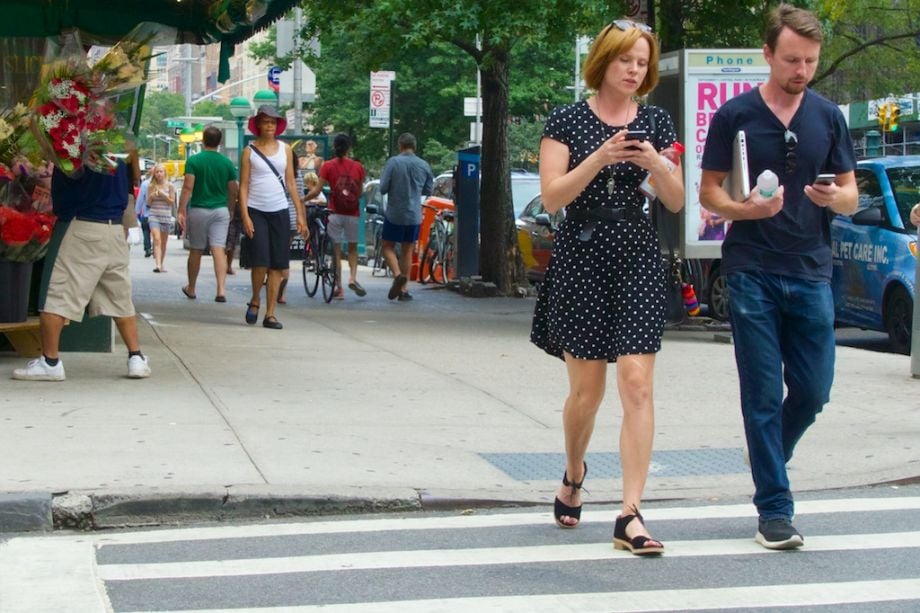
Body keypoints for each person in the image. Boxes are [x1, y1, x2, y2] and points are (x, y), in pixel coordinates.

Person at [699, 4, 858, 550]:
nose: (801, 70)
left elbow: (852, 193)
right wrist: (746, 211)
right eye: (792, 59)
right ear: (768, 54)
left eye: (810, 61)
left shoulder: (829, 116)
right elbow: (709, 193)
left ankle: (768, 453)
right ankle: (775, 509)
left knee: (814, 390)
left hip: (812, 268)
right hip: (751, 270)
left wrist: (836, 198)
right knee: (762, 394)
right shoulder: (734, 115)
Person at [531, 19, 684, 556]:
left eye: (642, 63)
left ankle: (631, 514)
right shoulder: (568, 120)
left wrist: (657, 163)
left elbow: (675, 200)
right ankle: (574, 473)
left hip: (637, 252)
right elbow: (552, 198)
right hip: (582, 253)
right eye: (626, 61)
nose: (634, 70)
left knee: (637, 384)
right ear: (604, 62)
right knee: (586, 393)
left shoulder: (657, 121)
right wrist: (599, 156)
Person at [12, 154, 151, 381]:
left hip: (81, 226)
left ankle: (50, 361)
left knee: (57, 294)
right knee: (120, 298)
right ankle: (137, 358)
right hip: (114, 229)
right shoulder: (117, 146)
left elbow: (69, 178)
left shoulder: (76, 144)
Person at [238, 105, 307, 329]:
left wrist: (299, 214)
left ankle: (270, 314)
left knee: (277, 264)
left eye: (273, 122)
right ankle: (255, 299)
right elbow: (244, 185)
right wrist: (245, 215)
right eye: (265, 121)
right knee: (260, 261)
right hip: (256, 210)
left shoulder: (285, 150)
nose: (269, 125)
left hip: (279, 210)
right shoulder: (249, 151)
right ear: (258, 124)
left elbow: (291, 183)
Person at [177, 126, 239, 302]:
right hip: (221, 210)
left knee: (196, 249)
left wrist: (181, 208)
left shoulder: (194, 161)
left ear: (203, 140)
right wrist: (231, 207)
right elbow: (233, 188)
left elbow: (188, 186)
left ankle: (192, 287)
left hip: (198, 209)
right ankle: (220, 290)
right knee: (218, 248)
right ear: (220, 142)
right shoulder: (226, 163)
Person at [304, 133, 366, 300]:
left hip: (334, 213)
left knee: (336, 251)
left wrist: (302, 199)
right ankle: (352, 277)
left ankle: (339, 287)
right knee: (352, 249)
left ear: (335, 147)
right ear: (349, 148)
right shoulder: (358, 167)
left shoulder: (328, 166)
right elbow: (360, 192)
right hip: (352, 213)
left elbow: (317, 190)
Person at [379, 132, 434, 301]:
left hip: (395, 213)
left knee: (387, 246)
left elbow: (382, 188)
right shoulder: (424, 165)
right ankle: (403, 290)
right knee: (407, 250)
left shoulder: (393, 163)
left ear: (400, 146)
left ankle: (397, 275)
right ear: (414, 147)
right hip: (414, 215)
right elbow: (428, 190)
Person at [278, 150, 305, 305]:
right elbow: (300, 198)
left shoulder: (279, 173)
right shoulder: (298, 174)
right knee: (284, 254)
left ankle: (275, 280)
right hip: (293, 217)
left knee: (274, 252)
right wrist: (302, 219)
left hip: (278, 215)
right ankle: (283, 294)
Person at [144, 163, 176, 273]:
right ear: (154, 174)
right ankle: (157, 265)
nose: (159, 174)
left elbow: (172, 202)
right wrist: (151, 197)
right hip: (154, 215)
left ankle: (161, 264)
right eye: (157, 172)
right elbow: (147, 203)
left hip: (165, 216)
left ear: (164, 173)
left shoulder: (170, 186)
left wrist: (163, 195)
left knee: (163, 242)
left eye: (161, 172)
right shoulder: (150, 186)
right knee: (157, 239)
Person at [135, 168, 153, 257]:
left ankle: (148, 248)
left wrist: (137, 211)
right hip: (156, 213)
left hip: (146, 213)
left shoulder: (145, 184)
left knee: (146, 231)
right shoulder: (164, 183)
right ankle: (156, 249)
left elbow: (140, 198)